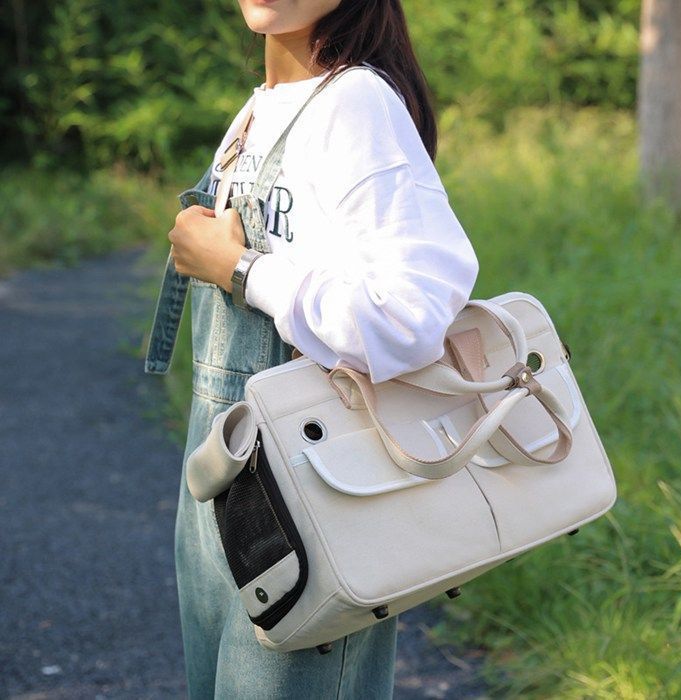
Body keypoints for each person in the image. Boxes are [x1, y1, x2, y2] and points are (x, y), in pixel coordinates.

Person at [146, 0, 479, 697]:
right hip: (220, 474)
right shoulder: (259, 110)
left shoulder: (357, 105)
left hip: (311, 487)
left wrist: (242, 270)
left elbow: (409, 318)